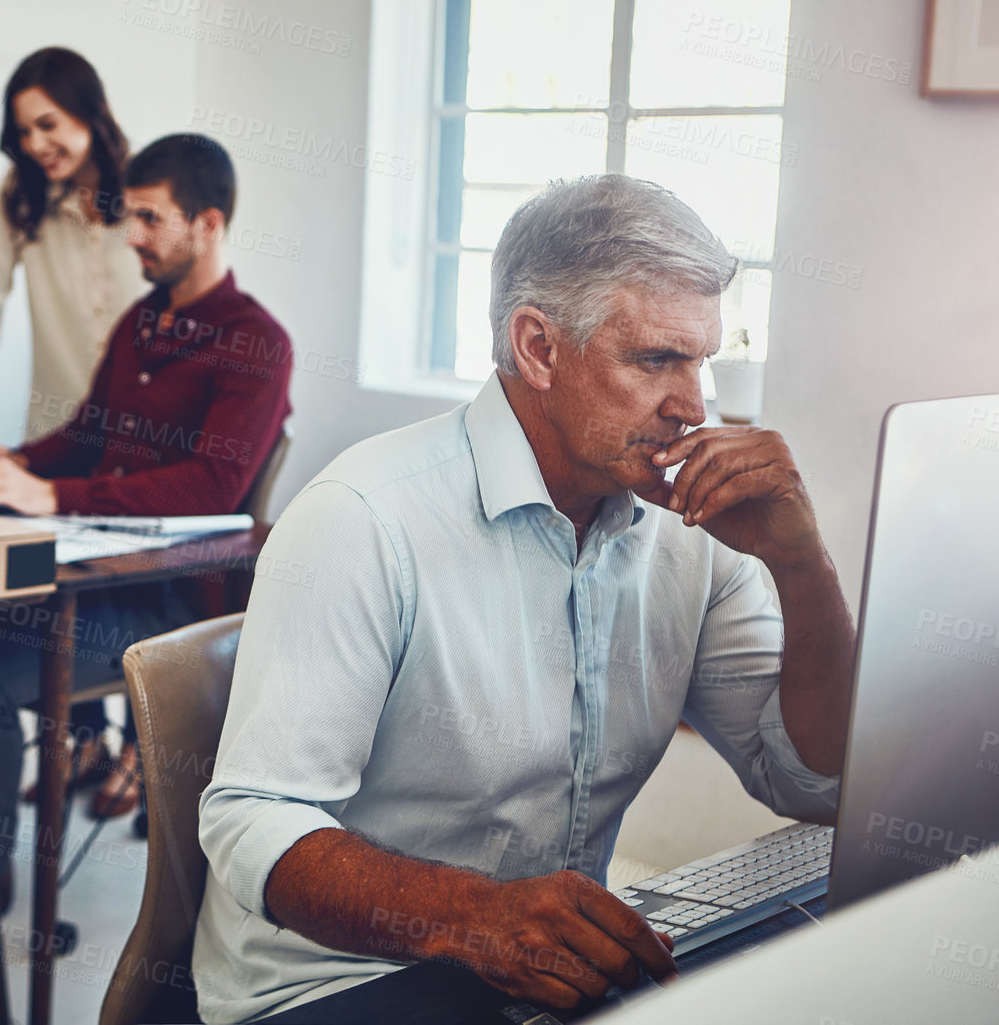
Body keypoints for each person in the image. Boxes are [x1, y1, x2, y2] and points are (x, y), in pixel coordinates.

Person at [192, 174, 855, 1023]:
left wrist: (803, 569)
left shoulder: (694, 528)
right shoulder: (362, 520)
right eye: (656, 359)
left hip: (540, 981)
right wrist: (475, 919)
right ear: (537, 348)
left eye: (701, 361)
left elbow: (812, 784)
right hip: (332, 986)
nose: (693, 406)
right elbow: (253, 820)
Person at [0, 134, 293, 948]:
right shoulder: (142, 322)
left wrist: (46, 493)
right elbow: (85, 437)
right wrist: (4, 461)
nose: (133, 236)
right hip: (88, 577)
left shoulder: (256, 342)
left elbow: (210, 490)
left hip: (168, 607)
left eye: (151, 218)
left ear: (208, 223)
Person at [0, 46, 150, 795]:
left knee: (128, 575)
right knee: (60, 578)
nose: (35, 144)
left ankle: (143, 747)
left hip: (145, 435)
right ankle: (80, 739)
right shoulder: (19, 198)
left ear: (89, 112)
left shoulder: (145, 192)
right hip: (60, 429)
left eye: (47, 124)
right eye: (22, 132)